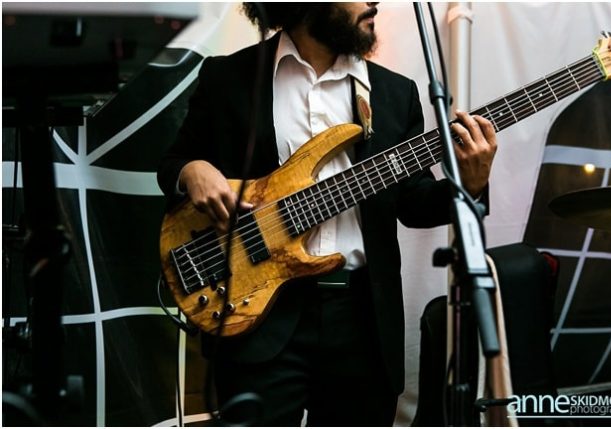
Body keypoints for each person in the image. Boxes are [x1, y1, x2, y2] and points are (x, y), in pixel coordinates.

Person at [155, 3, 498, 425]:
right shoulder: (230, 77)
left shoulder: (394, 92)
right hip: (257, 315)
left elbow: (414, 203)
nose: (374, 2)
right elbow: (173, 162)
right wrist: (193, 171)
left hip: (361, 320)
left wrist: (470, 184)